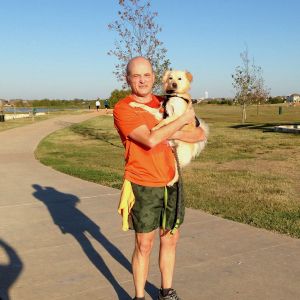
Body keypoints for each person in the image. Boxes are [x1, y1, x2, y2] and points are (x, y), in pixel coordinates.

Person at [113, 57, 206, 300]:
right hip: (143, 182)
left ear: (154, 77)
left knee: (171, 239)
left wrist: (183, 125)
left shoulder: (166, 101)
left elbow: (198, 134)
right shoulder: (124, 108)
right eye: (136, 76)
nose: (142, 80)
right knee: (144, 245)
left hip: (172, 179)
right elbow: (150, 139)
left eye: (146, 75)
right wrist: (181, 124)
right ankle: (139, 296)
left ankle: (167, 292)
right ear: (128, 79)